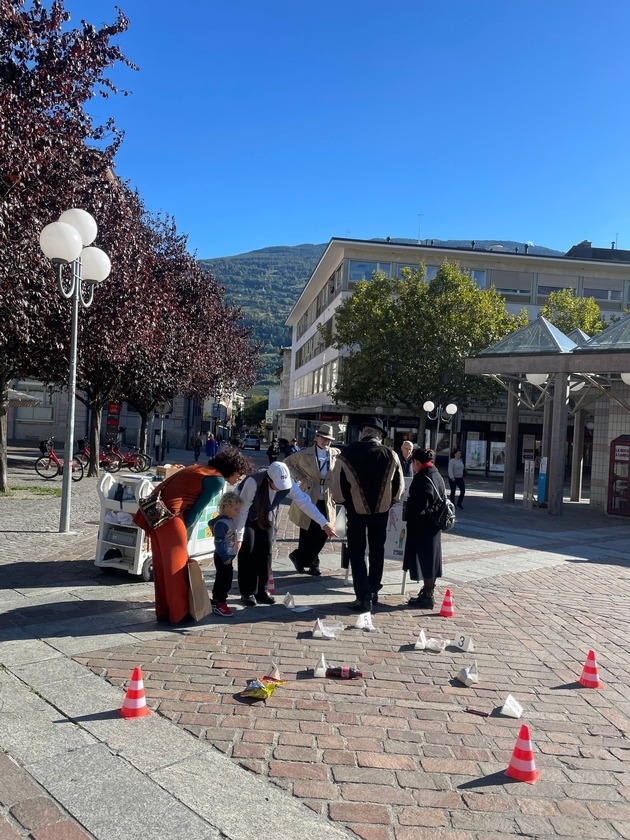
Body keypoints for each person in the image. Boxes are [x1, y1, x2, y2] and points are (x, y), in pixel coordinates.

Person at [133, 447, 249, 625]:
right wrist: (183, 537)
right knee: (176, 569)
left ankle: (165, 610)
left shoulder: (200, 469)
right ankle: (178, 614)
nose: (239, 477)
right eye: (239, 473)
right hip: (170, 517)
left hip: (156, 513)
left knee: (162, 566)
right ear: (231, 469)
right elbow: (196, 512)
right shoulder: (216, 480)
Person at [234, 460, 336, 606]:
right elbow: (242, 511)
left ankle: (262, 591)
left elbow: (305, 503)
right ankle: (247, 592)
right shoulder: (253, 482)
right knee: (248, 550)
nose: (279, 489)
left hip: (266, 514)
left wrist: (324, 523)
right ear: (269, 479)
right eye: (276, 486)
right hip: (247, 515)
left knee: (265, 551)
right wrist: (239, 536)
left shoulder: (288, 484)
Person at [329, 418, 405, 612]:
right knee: (377, 550)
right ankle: (373, 591)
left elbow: (337, 487)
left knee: (356, 552)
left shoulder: (347, 453)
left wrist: (345, 502)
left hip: (356, 511)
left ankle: (362, 596)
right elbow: (399, 488)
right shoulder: (391, 455)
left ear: (363, 432)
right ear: (379, 436)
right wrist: (388, 503)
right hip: (381, 512)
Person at [284, 423, 340, 576]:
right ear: (316, 437)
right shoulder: (305, 453)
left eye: (328, 439)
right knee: (308, 531)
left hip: (327, 496)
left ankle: (299, 557)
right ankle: (313, 564)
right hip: (309, 493)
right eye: (323, 438)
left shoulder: (335, 453)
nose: (326, 442)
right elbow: (287, 463)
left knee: (323, 532)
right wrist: (300, 477)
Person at [403, 447, 445, 609]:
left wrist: (412, 517)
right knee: (432, 559)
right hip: (435, 524)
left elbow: (420, 504)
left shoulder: (423, 477)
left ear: (417, 462)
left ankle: (428, 596)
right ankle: (427, 592)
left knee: (427, 560)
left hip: (424, 527)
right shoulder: (436, 474)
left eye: (413, 463)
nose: (413, 467)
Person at [210, 491, 243, 617]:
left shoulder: (228, 520)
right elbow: (219, 542)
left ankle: (217, 600)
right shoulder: (222, 523)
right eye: (236, 509)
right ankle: (220, 602)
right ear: (227, 508)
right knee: (224, 580)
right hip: (223, 556)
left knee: (224, 578)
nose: (238, 512)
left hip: (227, 556)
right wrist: (225, 556)